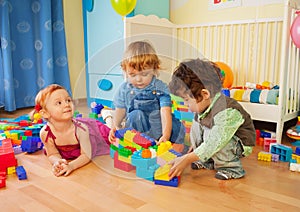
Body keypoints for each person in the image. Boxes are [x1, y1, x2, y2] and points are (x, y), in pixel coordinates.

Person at [168, 58, 256, 180]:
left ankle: (232, 168)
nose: (185, 104)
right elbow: (199, 132)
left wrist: (188, 158)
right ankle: (206, 160)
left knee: (216, 139)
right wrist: (195, 149)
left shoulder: (227, 111)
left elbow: (216, 141)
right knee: (196, 124)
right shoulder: (203, 106)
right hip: (216, 138)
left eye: (187, 99)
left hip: (237, 143)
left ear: (205, 94)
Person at [108, 40, 185, 145]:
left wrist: (165, 135)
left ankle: (171, 142)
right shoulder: (124, 89)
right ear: (125, 71)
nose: (139, 79)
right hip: (138, 127)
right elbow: (120, 110)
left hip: (159, 126)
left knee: (177, 126)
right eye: (132, 75)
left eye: (144, 74)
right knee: (135, 114)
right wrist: (115, 126)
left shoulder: (160, 87)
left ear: (154, 69)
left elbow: (165, 111)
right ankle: (140, 141)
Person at [32, 84, 110, 177]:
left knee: (110, 135)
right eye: (59, 103)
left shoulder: (82, 129)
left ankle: (108, 116)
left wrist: (71, 166)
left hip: (94, 132)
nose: (67, 104)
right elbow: (52, 154)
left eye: (68, 100)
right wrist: (57, 162)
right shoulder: (45, 133)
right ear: (45, 113)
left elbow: (86, 155)